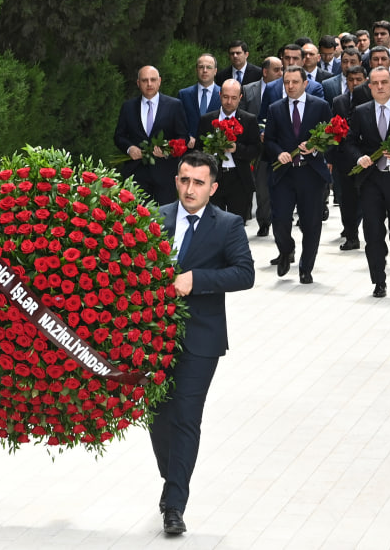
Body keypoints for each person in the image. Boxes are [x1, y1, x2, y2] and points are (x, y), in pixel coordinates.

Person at [153, 152, 255, 535]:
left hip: (201, 337)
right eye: (184, 180)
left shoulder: (227, 224)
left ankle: (175, 504)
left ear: (213, 187)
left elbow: (245, 273)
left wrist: (198, 280)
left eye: (198, 182)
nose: (189, 188)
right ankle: (171, 480)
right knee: (158, 417)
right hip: (153, 337)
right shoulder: (155, 217)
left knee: (185, 417)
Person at [343, 67, 390, 298]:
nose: (379, 87)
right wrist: (359, 157)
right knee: (373, 232)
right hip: (371, 181)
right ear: (369, 87)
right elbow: (348, 141)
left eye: (384, 82)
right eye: (374, 83)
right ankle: (379, 280)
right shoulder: (360, 111)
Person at [264, 67, 333, 283]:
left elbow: (330, 137)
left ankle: (306, 267)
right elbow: (269, 141)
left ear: (305, 83)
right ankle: (286, 250)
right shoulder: (275, 109)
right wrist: (279, 153)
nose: (290, 86)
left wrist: (314, 148)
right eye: (286, 82)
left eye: (295, 82)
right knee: (280, 219)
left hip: (310, 173)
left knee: (311, 222)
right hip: (284, 174)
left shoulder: (320, 106)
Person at [114, 66, 190, 205]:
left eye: (153, 80)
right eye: (144, 80)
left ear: (159, 81)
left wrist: (167, 150)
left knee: (165, 218)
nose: (149, 84)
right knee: (137, 219)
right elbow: (119, 136)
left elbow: (183, 137)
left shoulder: (174, 105)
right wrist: (129, 148)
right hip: (136, 172)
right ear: (138, 83)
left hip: (165, 172)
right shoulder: (128, 107)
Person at [203, 79, 261, 217]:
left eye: (234, 98)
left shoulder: (249, 120)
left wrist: (237, 149)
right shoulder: (207, 120)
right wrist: (212, 148)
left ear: (240, 98)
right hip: (215, 178)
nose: (229, 102)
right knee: (215, 222)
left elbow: (256, 149)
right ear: (220, 94)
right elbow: (199, 150)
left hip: (239, 179)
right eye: (226, 97)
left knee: (237, 223)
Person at [242, 56, 283, 234]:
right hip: (259, 147)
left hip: (282, 147)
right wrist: (259, 133)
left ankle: (279, 219)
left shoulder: (285, 88)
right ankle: (264, 221)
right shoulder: (249, 89)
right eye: (277, 70)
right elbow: (246, 117)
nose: (281, 73)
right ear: (265, 72)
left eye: (282, 69)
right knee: (261, 187)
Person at [329, 65, 368, 250]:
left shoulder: (370, 100)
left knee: (364, 197)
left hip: (367, 156)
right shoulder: (339, 101)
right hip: (344, 158)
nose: (354, 83)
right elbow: (333, 130)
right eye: (350, 80)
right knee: (347, 199)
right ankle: (351, 235)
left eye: (358, 80)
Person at [178, 54, 220, 142]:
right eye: (201, 67)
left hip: (214, 149)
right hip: (189, 149)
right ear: (196, 70)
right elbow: (178, 122)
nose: (204, 70)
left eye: (209, 67)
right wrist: (187, 137)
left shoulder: (223, 95)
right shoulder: (184, 94)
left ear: (215, 71)